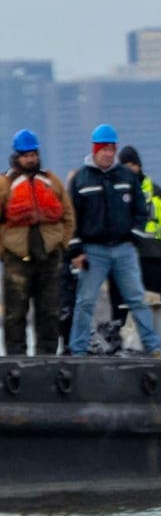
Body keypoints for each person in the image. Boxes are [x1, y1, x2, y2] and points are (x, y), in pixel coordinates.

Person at [67, 123, 161, 357]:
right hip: (93, 251)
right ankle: (77, 349)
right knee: (85, 302)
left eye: (112, 149)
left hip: (124, 249)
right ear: (95, 149)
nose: (108, 154)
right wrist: (76, 250)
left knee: (137, 299)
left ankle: (153, 347)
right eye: (104, 149)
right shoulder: (81, 179)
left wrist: (134, 238)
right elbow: (71, 219)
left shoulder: (127, 177)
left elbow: (142, 212)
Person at [2, 129, 76, 355]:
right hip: (17, 259)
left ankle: (48, 357)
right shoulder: (5, 184)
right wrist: (4, 251)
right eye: (25, 155)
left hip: (49, 257)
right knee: (15, 313)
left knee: (50, 311)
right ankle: (16, 358)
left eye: (33, 154)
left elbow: (68, 215)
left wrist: (62, 244)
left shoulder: (51, 181)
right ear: (17, 156)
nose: (30, 158)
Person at [108, 145, 161, 332]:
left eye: (133, 165)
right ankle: (120, 342)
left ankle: (153, 342)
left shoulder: (158, 194)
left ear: (139, 166)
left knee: (153, 302)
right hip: (121, 257)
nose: (130, 169)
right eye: (125, 165)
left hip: (151, 257)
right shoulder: (113, 191)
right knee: (120, 306)